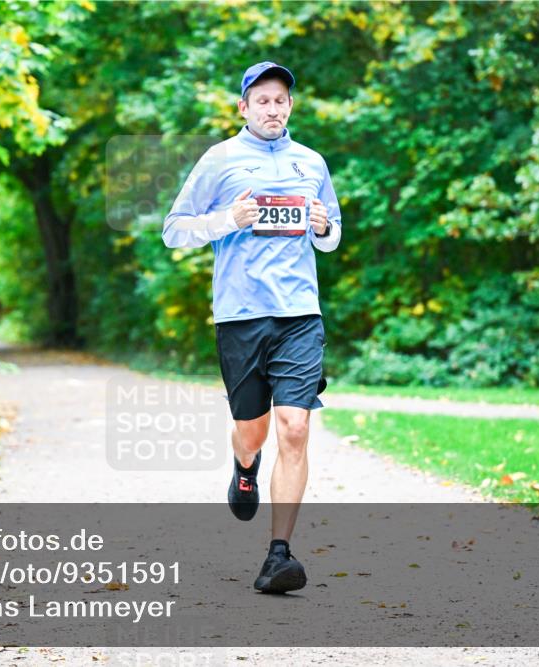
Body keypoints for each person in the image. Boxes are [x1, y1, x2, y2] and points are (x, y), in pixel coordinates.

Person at [161, 61, 342, 593]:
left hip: (299, 314)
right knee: (253, 431)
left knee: (296, 426)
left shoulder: (311, 163)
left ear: (290, 107)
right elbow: (174, 231)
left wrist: (324, 226)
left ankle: (278, 555)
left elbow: (330, 232)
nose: (273, 109)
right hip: (241, 315)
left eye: (281, 100)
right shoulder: (219, 160)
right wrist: (226, 221)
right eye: (262, 100)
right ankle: (244, 466)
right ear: (244, 107)